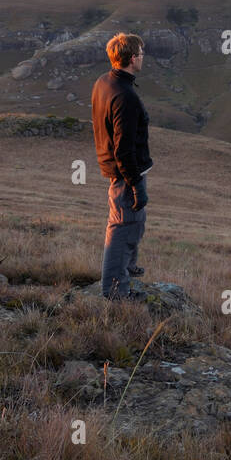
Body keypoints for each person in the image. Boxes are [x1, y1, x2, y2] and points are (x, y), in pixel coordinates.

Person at [91, 33, 154, 299]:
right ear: (131, 58)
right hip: (125, 175)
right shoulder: (125, 96)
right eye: (140, 53)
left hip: (119, 171)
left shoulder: (104, 82)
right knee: (122, 226)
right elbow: (124, 149)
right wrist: (136, 183)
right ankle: (115, 291)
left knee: (134, 222)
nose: (143, 57)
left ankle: (126, 269)